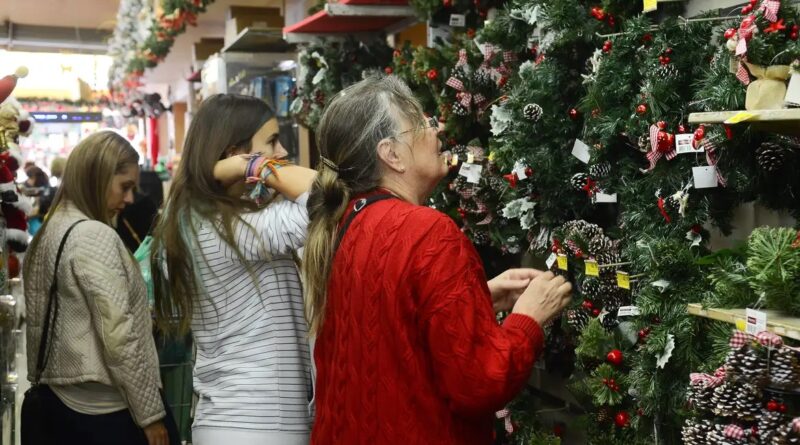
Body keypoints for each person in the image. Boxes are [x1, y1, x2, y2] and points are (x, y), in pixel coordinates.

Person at [302, 75, 573, 445]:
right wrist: (529, 318)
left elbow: (388, 325)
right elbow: (480, 382)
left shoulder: (344, 223)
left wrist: (476, 297)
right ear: (391, 154)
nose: (437, 129)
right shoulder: (428, 232)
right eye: (422, 123)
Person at [151, 94, 316, 445]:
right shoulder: (235, 229)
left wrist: (224, 170)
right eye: (271, 141)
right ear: (234, 153)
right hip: (262, 420)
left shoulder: (191, 221)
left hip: (228, 419)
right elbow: (325, 196)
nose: (283, 152)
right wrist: (254, 167)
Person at [22, 131, 178, 445]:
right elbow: (119, 337)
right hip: (108, 412)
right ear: (97, 177)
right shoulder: (94, 236)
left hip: (60, 404)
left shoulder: (51, 231)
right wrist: (150, 415)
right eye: (125, 187)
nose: (131, 199)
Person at [22, 165, 54, 235]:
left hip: (40, 222)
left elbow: (40, 209)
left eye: (29, 178)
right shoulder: (44, 188)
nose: (27, 180)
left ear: (34, 178)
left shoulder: (44, 191)